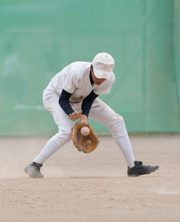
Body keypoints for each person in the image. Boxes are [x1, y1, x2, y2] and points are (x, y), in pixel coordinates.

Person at [24, 52, 159, 178]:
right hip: (55, 95)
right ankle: (34, 165)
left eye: (104, 76)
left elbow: (89, 99)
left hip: (81, 98)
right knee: (66, 131)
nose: (101, 79)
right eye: (98, 75)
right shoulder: (76, 72)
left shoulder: (109, 78)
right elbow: (63, 99)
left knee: (117, 121)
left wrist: (84, 118)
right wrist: (71, 114)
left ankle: (133, 167)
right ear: (91, 68)